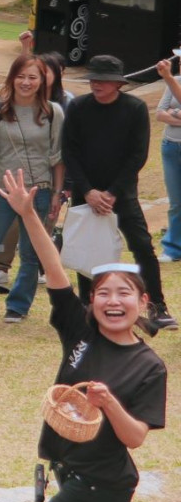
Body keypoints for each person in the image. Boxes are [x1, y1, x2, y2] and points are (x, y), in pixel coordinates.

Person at [0, 170, 181, 502]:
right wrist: (28, 215)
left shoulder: (148, 365)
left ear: (142, 302)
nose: (112, 301)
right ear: (93, 300)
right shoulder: (80, 333)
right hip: (71, 470)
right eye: (103, 292)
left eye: (124, 293)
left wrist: (109, 403)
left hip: (101, 481)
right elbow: (54, 267)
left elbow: (136, 436)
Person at [62, 55, 173, 329]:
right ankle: (89, 305)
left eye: (103, 80)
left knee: (142, 246)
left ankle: (157, 305)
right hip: (86, 191)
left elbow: (138, 155)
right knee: (87, 249)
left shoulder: (134, 108)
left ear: (118, 84)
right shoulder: (78, 107)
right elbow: (69, 151)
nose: (96, 84)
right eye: (93, 79)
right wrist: (87, 191)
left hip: (122, 193)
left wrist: (112, 192)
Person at [0, 55, 64, 323]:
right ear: (12, 78)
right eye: (21, 76)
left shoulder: (53, 112)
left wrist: (57, 194)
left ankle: (18, 306)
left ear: (43, 81)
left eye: (32, 77)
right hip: (3, 191)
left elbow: (58, 157)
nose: (26, 82)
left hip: (39, 190)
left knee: (31, 252)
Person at [158, 57, 181, 265]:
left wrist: (168, 78)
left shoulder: (172, 80)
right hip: (171, 146)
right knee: (176, 201)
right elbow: (160, 114)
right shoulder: (175, 80)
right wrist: (177, 114)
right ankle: (173, 247)